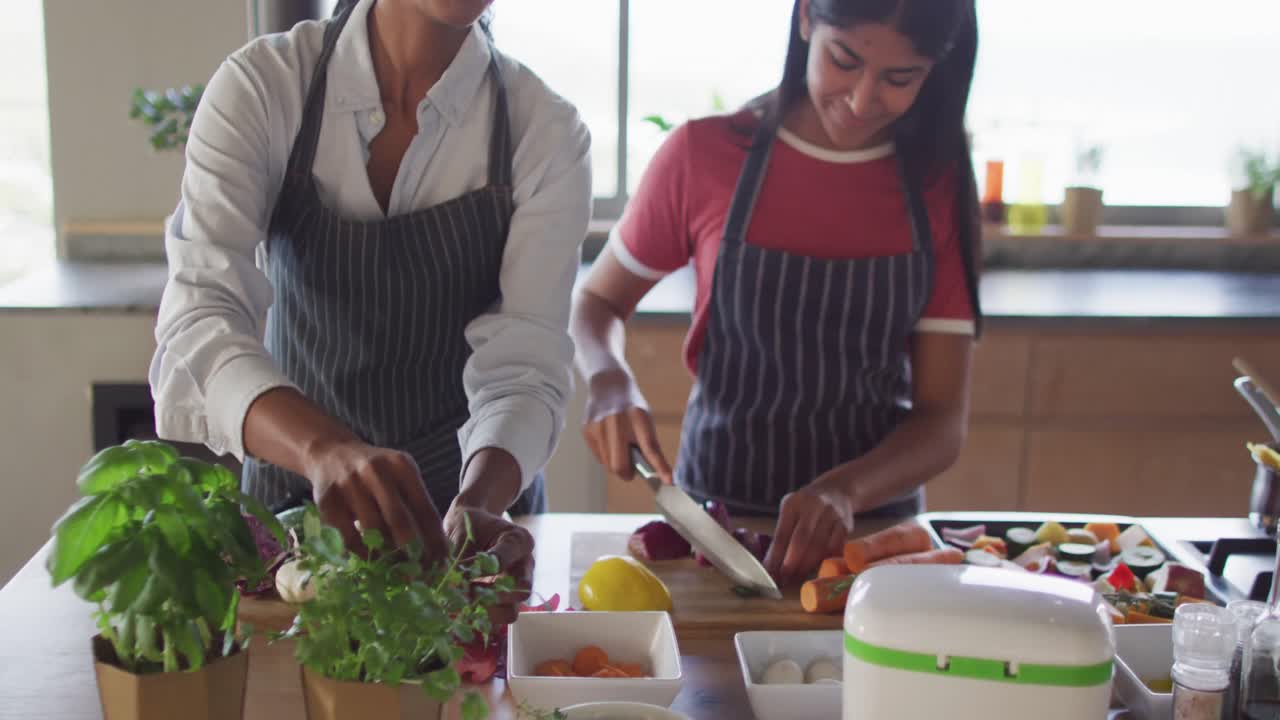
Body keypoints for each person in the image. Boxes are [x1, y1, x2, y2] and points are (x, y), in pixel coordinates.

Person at [150, 0, 591, 617]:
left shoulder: (543, 130)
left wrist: (480, 502)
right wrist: (324, 451)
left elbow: (526, 364)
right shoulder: (267, 85)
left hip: (460, 536)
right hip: (294, 514)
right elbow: (201, 317)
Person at [571, 0, 982, 585]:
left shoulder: (937, 185)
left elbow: (942, 422)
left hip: (868, 546)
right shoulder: (705, 156)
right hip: (717, 526)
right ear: (807, 20)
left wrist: (845, 490)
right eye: (844, 61)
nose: (864, 100)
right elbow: (597, 302)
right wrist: (608, 378)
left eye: (900, 78)